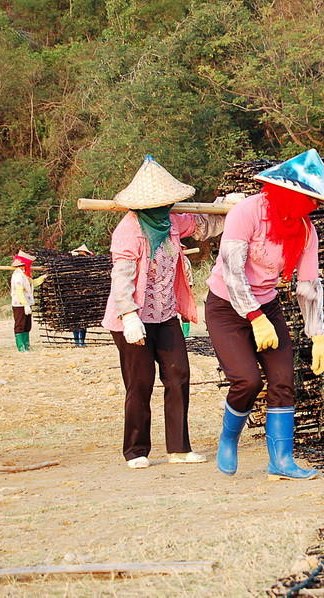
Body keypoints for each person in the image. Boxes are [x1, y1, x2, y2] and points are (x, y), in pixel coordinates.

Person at [208, 149, 324, 481]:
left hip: (267, 305)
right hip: (227, 306)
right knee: (248, 380)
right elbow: (232, 270)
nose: (311, 206)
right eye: (306, 198)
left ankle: (281, 461)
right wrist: (255, 319)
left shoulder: (305, 230)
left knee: (284, 380)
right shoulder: (247, 212)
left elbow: (309, 285)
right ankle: (229, 437)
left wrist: (317, 338)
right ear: (287, 191)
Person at [102, 155, 224, 469]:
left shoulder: (171, 221)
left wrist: (228, 207)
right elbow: (122, 276)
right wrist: (128, 315)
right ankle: (136, 450)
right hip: (134, 319)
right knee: (140, 383)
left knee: (179, 374)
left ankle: (179, 448)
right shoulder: (129, 230)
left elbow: (202, 225)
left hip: (165, 313)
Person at [10, 250, 46, 352]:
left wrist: (42, 278)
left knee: (27, 325)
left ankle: (26, 345)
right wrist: (24, 304)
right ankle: (21, 346)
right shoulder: (18, 275)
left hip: (27, 303)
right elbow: (19, 291)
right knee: (20, 324)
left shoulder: (25, 275)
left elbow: (31, 284)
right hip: (20, 304)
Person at [70, 244, 95, 347]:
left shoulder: (88, 267)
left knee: (84, 319)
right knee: (75, 318)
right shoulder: (71, 266)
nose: (81, 255)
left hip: (85, 296)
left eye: (83, 254)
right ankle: (76, 340)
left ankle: (82, 340)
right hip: (73, 295)